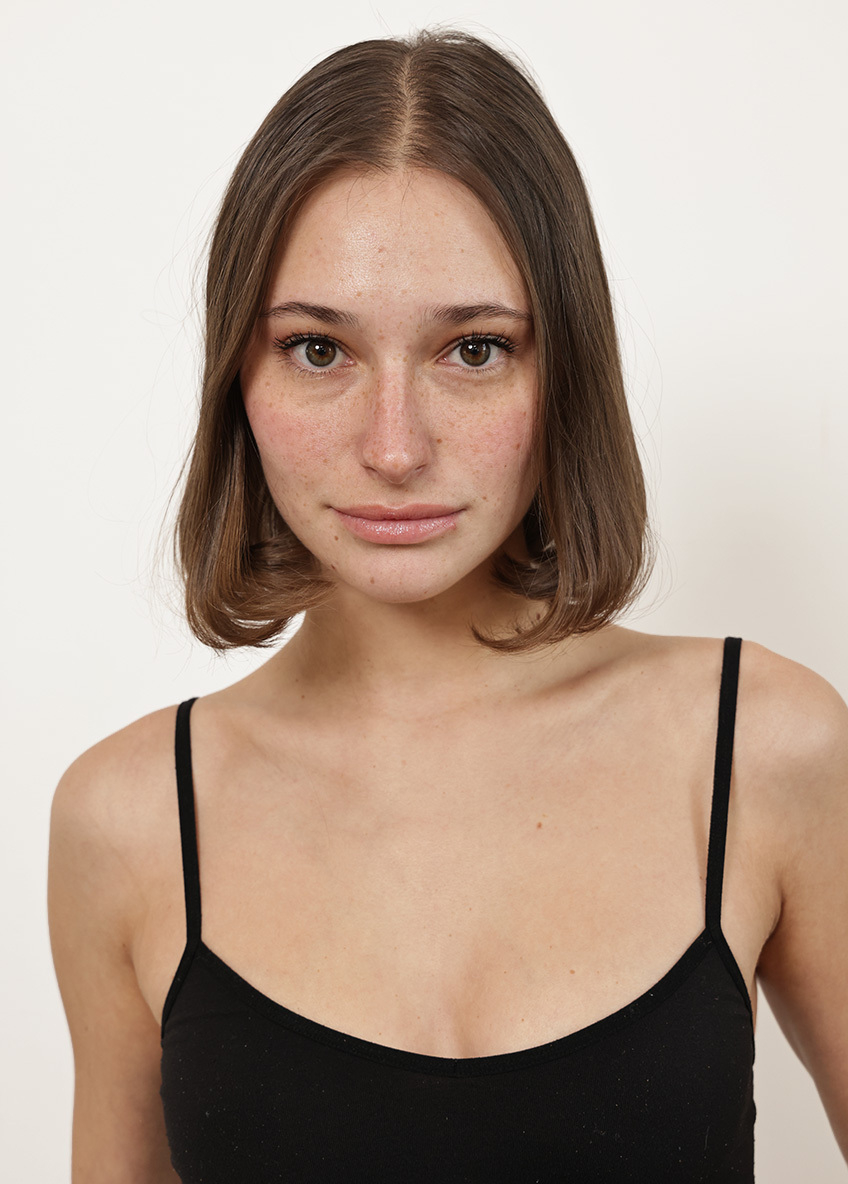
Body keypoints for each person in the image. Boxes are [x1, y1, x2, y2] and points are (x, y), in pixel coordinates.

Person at [48, 27, 848, 1183]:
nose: (393, 447)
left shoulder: (763, 748)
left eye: (471, 349)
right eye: (317, 348)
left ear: (560, 369)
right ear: (238, 377)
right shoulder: (127, 821)